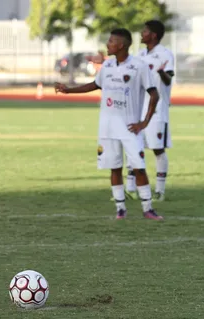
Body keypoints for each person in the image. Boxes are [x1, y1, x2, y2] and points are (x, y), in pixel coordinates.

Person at [54, 28, 163, 220]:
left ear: (121, 45)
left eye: (111, 41)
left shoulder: (139, 66)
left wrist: (144, 122)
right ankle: (120, 209)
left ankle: (148, 208)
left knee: (139, 167)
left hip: (130, 128)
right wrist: (68, 90)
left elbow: (154, 94)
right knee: (114, 167)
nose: (108, 44)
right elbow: (95, 85)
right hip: (107, 128)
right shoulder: (108, 66)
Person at [125, 20, 174, 202]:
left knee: (157, 149)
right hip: (137, 109)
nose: (142, 33)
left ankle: (159, 191)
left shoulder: (165, 54)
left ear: (153, 35)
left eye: (145, 31)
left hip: (157, 111)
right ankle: (130, 188)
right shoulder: (140, 55)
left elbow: (168, 80)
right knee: (133, 145)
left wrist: (162, 72)